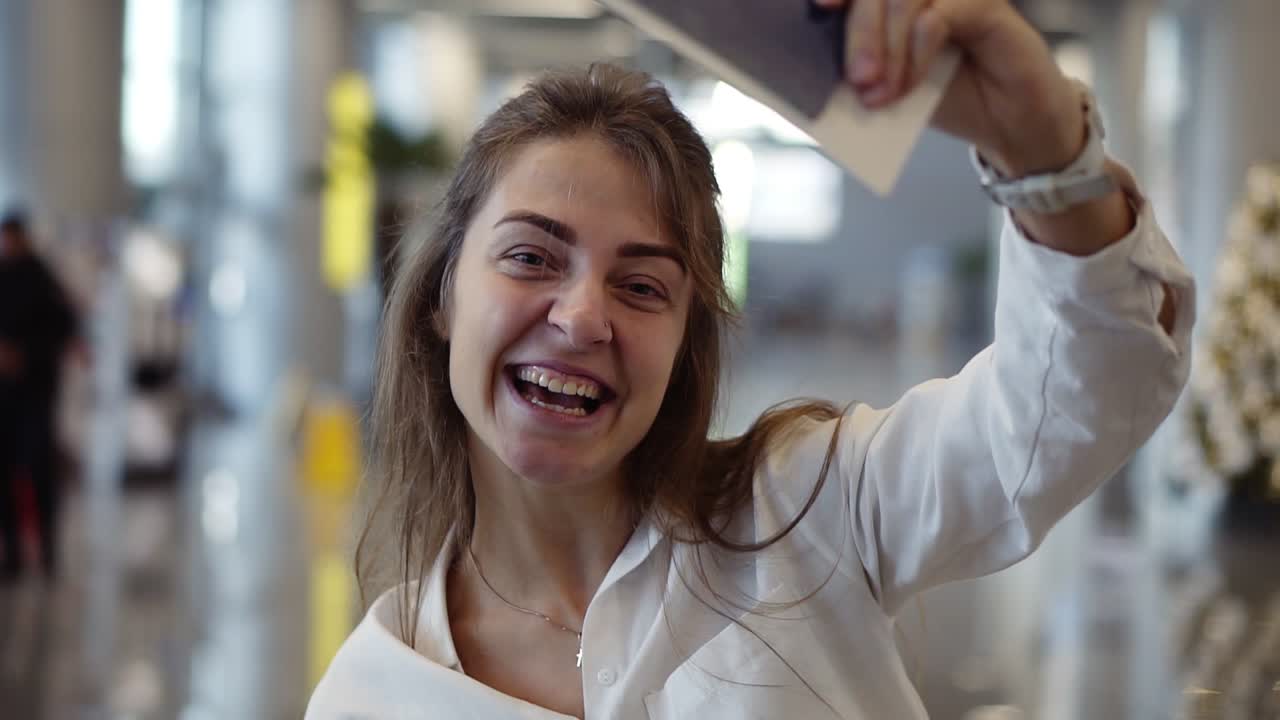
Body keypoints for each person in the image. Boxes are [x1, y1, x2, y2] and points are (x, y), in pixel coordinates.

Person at [307, 0, 1194, 717]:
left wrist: (1045, 153)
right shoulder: (372, 693)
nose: (582, 318)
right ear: (438, 298)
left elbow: (1072, 399)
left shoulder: (811, 509)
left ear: (685, 340)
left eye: (643, 285)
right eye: (532, 257)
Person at [0, 211, 78, 580]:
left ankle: (46, 549)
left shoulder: (42, 278)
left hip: (36, 391)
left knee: (38, 468)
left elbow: (63, 327)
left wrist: (25, 354)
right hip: (5, 395)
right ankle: (12, 550)